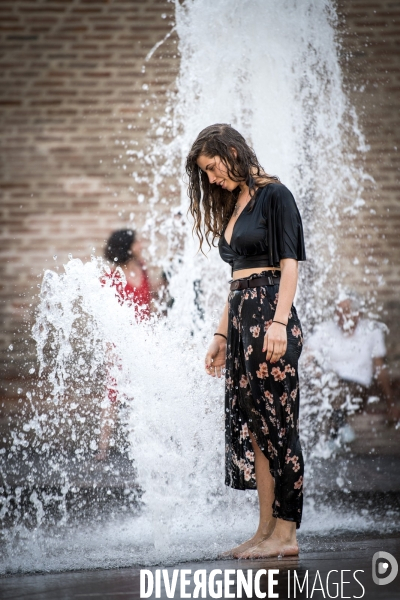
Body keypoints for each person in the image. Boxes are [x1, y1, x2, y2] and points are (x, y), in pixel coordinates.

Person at [186, 124, 306, 559]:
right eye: (206, 173)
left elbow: (289, 267)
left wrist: (277, 324)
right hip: (240, 319)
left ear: (233, 151)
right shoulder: (236, 202)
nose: (212, 179)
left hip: (269, 317)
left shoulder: (276, 195)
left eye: (213, 168)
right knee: (257, 430)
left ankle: (287, 535)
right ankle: (264, 532)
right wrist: (220, 334)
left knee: (279, 427)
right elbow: (236, 278)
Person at [305, 292, 400, 443]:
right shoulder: (325, 329)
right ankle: (339, 430)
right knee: (325, 386)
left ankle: (335, 434)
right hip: (330, 383)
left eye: (347, 311)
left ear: (358, 313)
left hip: (358, 386)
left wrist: (391, 403)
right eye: (338, 311)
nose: (342, 315)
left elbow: (380, 368)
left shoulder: (372, 330)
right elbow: (305, 356)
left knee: (335, 389)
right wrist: (315, 371)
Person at [96, 229, 152, 461]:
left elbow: (149, 305)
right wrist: (110, 349)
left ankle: (146, 445)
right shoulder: (111, 277)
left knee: (146, 391)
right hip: (121, 341)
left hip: (144, 340)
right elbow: (105, 315)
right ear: (127, 247)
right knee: (113, 393)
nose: (141, 244)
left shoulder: (143, 269)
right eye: (137, 242)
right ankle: (102, 449)